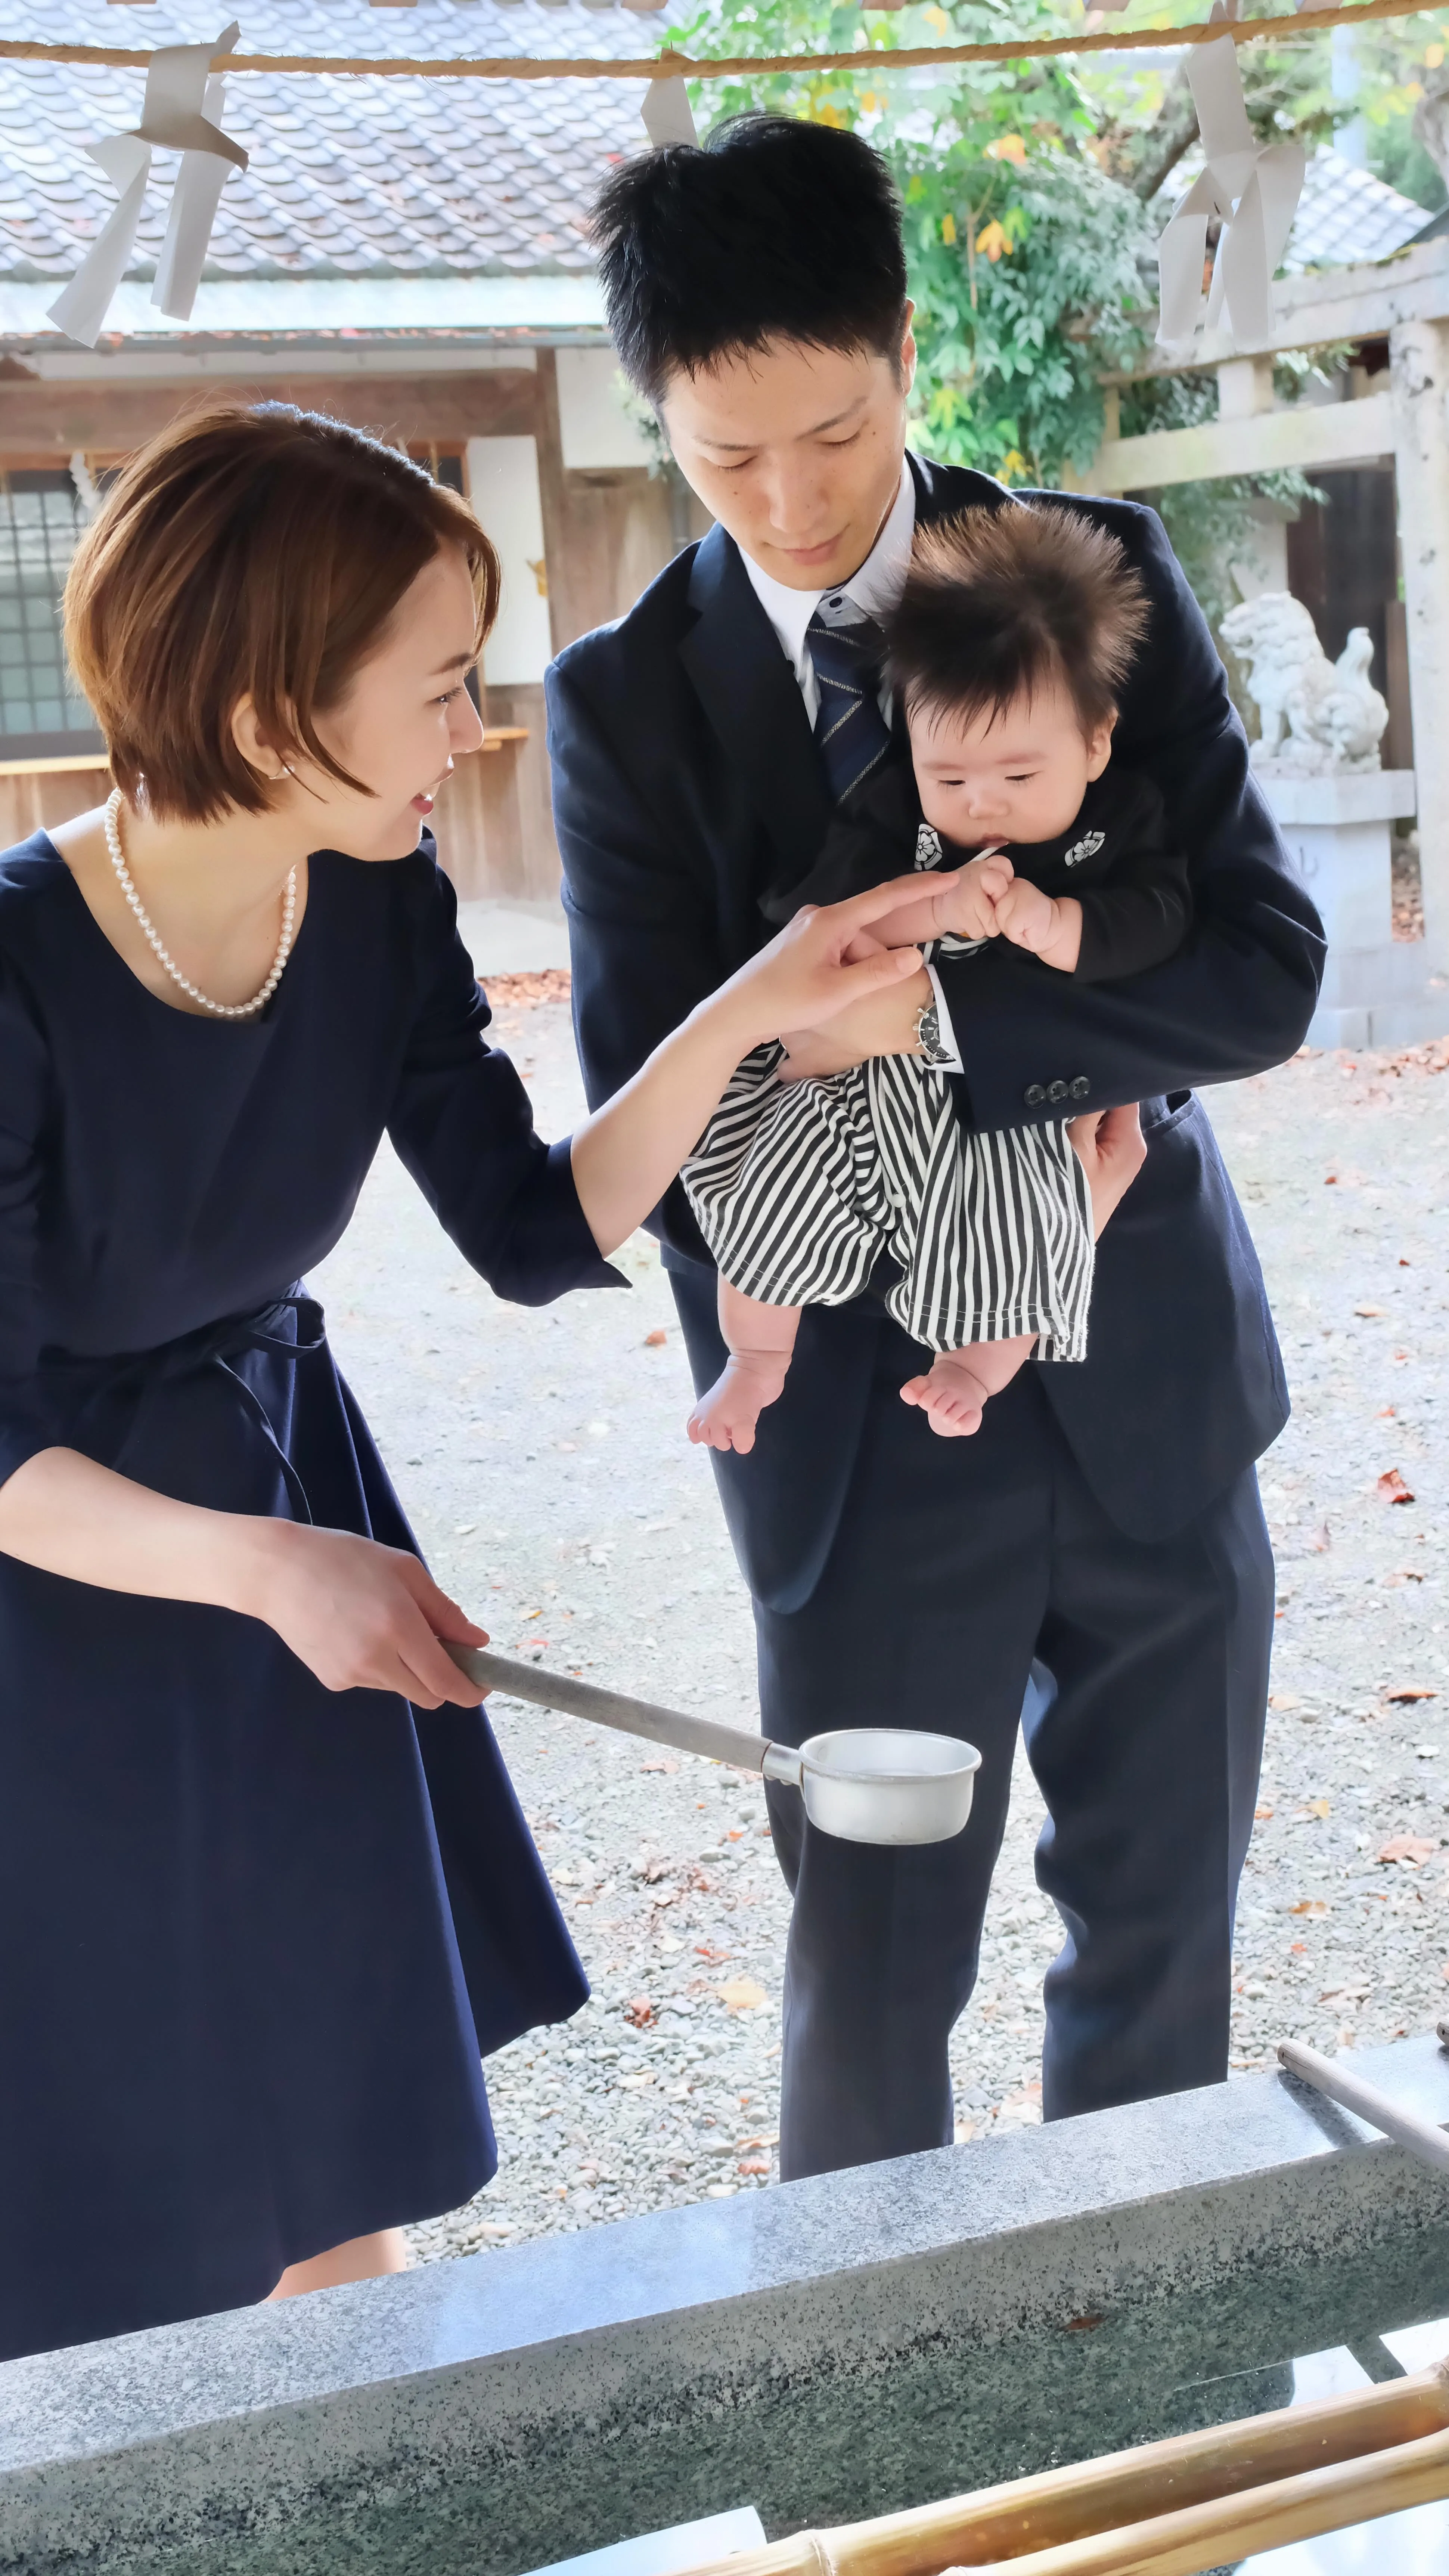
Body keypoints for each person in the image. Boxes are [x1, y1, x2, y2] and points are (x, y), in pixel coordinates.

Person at [0, 399, 936, 2365]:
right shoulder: (13, 970)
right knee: (112, 2174)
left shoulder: (374, 898)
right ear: (271, 723)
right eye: (438, 687)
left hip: (285, 1513)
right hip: (70, 1598)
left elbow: (531, 1227)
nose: (474, 729)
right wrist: (269, 1570)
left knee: (324, 2130)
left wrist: (760, 1001)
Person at [546, 114, 1326, 2184]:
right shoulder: (618, 706)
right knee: (873, 1991)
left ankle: (1150, 2466)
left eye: (834, 427)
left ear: (905, 348)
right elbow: (657, 1103)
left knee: (1163, 1961)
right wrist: (833, 1030)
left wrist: (927, 1014)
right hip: (855, 1463)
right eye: (722, 458)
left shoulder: (1089, 578)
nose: (792, 504)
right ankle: (865, 2479)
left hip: (1148, 1387)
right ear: (654, 420)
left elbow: (1254, 976)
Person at [683, 501, 1188, 1453]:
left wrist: (1057, 921)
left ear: (1094, 742)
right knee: (766, 1193)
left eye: (1016, 776)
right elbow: (828, 926)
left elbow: (1160, 923)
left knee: (1027, 1225)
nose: (980, 803)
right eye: (948, 778)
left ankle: (974, 1366)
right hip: (854, 1086)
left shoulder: (1118, 826)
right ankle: (755, 1359)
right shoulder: (890, 817)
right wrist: (938, 904)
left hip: (1007, 1113)